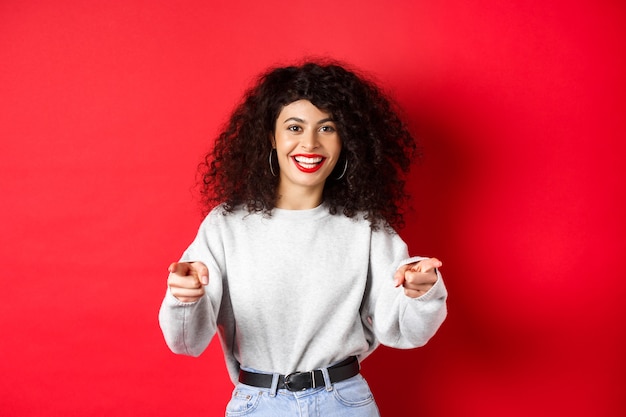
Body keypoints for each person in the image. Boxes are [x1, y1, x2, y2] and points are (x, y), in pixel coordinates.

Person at [159, 60, 448, 416]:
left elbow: (406, 331)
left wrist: (420, 293)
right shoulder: (226, 225)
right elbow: (186, 341)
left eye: (327, 128)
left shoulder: (366, 228)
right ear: (271, 137)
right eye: (294, 127)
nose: (310, 143)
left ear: (346, 140)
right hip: (259, 405)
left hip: (345, 403)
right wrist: (184, 297)